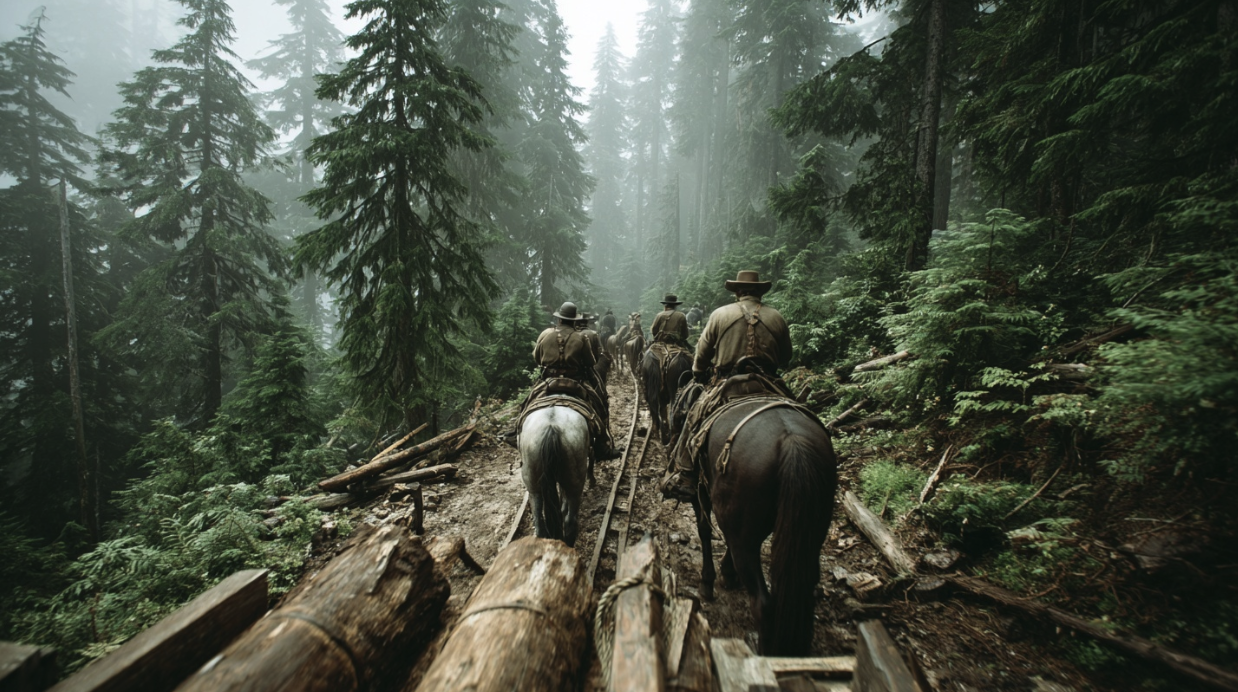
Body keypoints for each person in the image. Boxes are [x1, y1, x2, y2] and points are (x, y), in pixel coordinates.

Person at [661, 271, 792, 499]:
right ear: (759, 292)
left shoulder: (720, 314)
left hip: (727, 382)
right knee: (799, 408)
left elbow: (702, 354)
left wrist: (698, 371)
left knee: (694, 416)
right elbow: (786, 356)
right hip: (768, 381)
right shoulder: (776, 316)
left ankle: (686, 473)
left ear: (738, 292)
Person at [532, 302, 620, 459]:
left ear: (559, 319)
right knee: (599, 404)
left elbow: (537, 358)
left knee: (528, 401)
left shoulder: (546, 335)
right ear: (574, 321)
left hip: (549, 380)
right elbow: (591, 362)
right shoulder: (581, 338)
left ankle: (515, 430)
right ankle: (602, 444)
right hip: (575, 381)